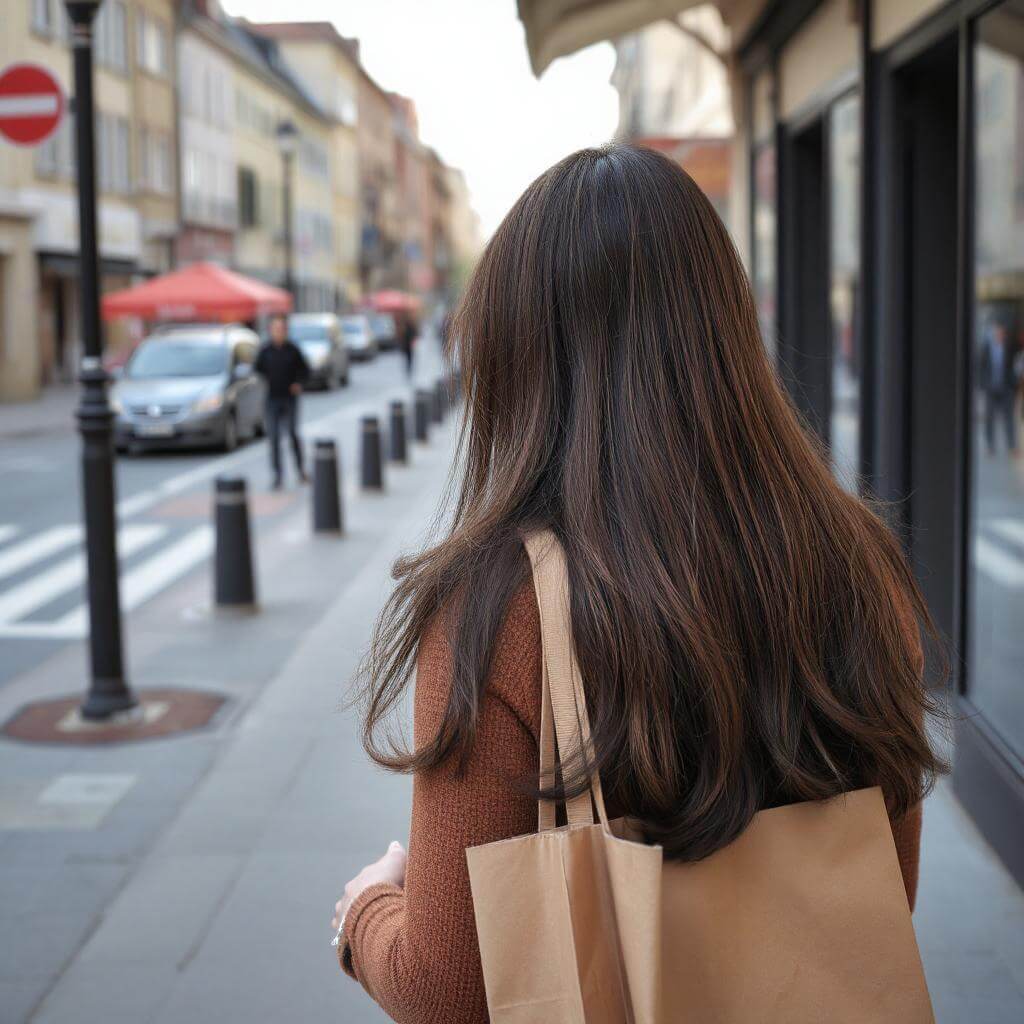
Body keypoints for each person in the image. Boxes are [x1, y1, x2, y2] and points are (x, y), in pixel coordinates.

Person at [331, 145, 946, 1022]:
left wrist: (368, 910)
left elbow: (452, 987)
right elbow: (882, 896)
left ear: (518, 358)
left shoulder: (500, 606)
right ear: (727, 329)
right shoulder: (853, 564)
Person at [255, 312, 309, 489]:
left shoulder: (293, 350)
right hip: (272, 399)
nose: (278, 332)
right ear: (270, 331)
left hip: (290, 399)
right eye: (275, 329)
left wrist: (298, 383)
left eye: (281, 329)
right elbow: (257, 370)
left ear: (285, 331)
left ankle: (301, 470)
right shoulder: (265, 351)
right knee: (274, 438)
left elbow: (305, 371)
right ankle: (277, 475)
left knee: (293, 433)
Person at [978, 321, 1020, 455]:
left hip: (1007, 389)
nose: (1000, 335)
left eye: (1002, 333)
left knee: (1009, 419)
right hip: (991, 389)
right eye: (997, 333)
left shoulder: (1010, 347)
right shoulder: (986, 348)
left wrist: (1014, 383)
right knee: (989, 418)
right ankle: (990, 447)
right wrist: (984, 384)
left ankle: (1012, 447)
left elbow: (1016, 365)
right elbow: (980, 367)